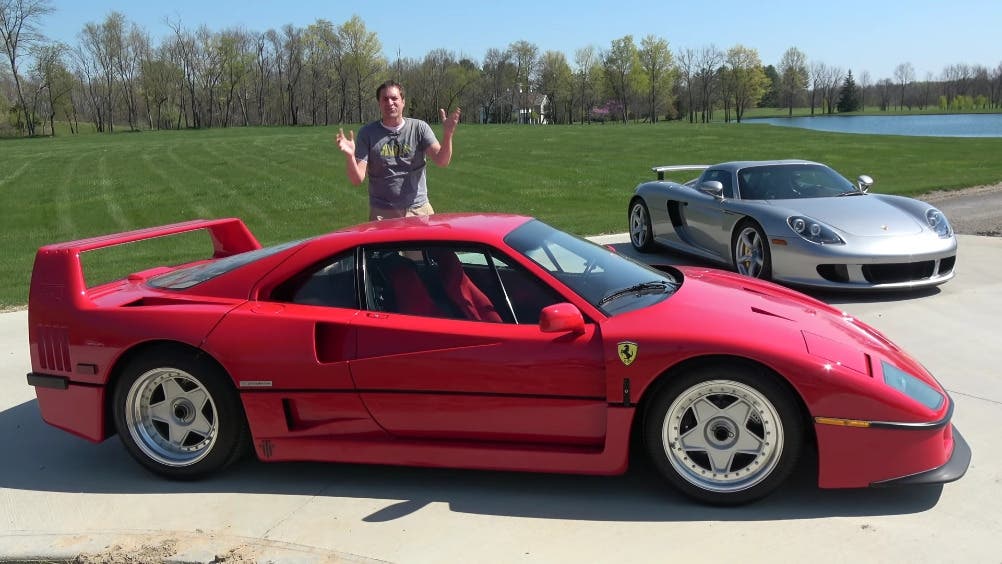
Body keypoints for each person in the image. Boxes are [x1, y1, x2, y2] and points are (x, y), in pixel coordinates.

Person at [336, 80, 461, 221]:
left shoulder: (419, 128)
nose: (390, 103)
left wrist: (448, 134)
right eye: (385, 99)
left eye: (394, 98)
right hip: (383, 213)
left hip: (419, 210)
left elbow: (442, 161)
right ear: (379, 104)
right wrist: (350, 156)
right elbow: (357, 179)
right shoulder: (367, 133)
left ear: (403, 102)